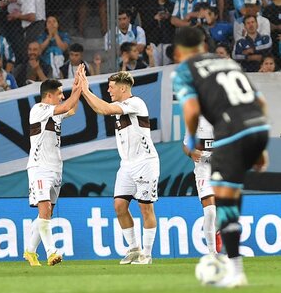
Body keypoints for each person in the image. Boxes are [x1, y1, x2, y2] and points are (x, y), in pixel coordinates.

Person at [172, 27, 270, 287]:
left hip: (229, 135)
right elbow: (259, 103)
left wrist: (192, 140)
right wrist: (259, 147)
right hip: (255, 128)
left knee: (224, 206)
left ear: (180, 51)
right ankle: (228, 264)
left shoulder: (185, 71)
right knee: (225, 204)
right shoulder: (226, 63)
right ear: (204, 45)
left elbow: (191, 111)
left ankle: (233, 270)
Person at [80, 70, 160, 265]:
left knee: (145, 208)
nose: (108, 90)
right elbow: (102, 108)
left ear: (123, 88)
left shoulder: (136, 103)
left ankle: (146, 255)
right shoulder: (119, 105)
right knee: (119, 206)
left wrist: (85, 90)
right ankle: (134, 249)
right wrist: (83, 92)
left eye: (111, 87)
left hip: (145, 163)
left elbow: (105, 109)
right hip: (126, 165)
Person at [23, 65, 83, 267]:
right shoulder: (39, 109)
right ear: (48, 96)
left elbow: (71, 109)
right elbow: (67, 106)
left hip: (56, 167)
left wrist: (78, 87)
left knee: (45, 213)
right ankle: (51, 252)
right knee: (45, 209)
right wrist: (78, 87)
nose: (62, 97)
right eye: (59, 94)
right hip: (40, 167)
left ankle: (30, 251)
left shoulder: (54, 112)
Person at [183, 116, 220, 255]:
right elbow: (186, 145)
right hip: (203, 171)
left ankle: (217, 229)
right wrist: (191, 152)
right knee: (210, 211)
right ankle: (212, 253)